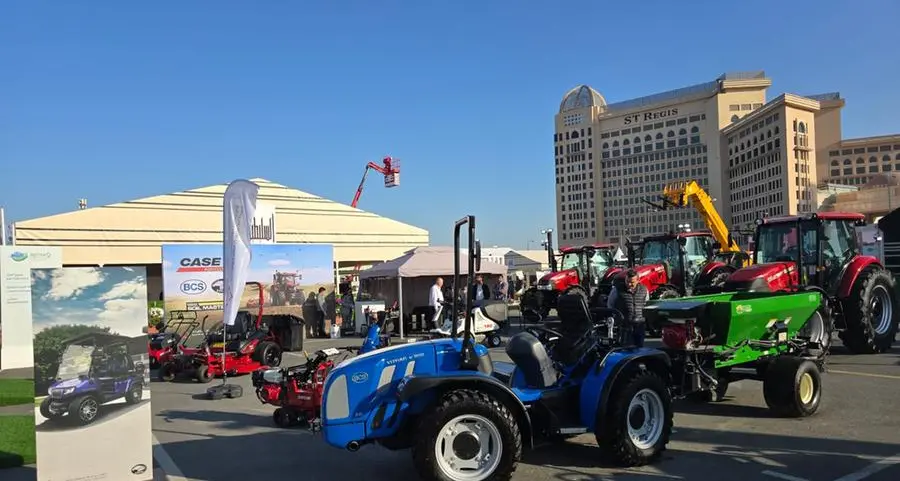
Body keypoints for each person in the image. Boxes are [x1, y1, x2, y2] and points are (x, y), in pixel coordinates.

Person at [607, 269, 649, 347]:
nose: (629, 284)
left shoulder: (644, 290)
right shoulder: (617, 290)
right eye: (627, 281)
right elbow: (610, 304)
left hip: (640, 325)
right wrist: (616, 317)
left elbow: (646, 305)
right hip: (624, 326)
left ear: (638, 280)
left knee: (639, 349)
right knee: (626, 349)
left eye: (632, 282)